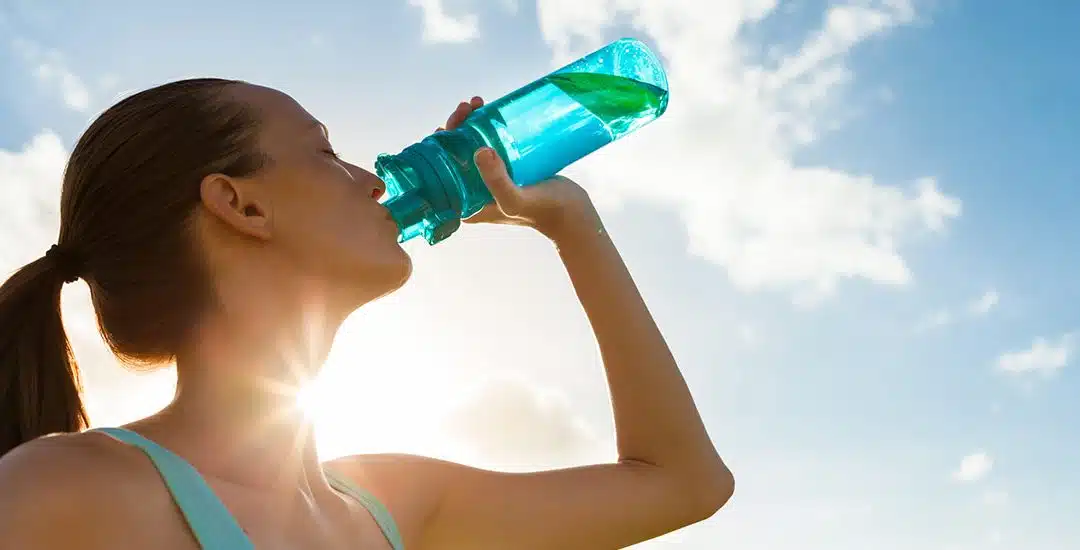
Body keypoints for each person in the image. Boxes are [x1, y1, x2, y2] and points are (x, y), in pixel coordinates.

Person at [0, 78, 733, 549]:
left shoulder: (390, 507)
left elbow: (684, 483)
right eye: (325, 152)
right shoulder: (66, 491)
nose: (373, 180)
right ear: (241, 204)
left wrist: (573, 227)